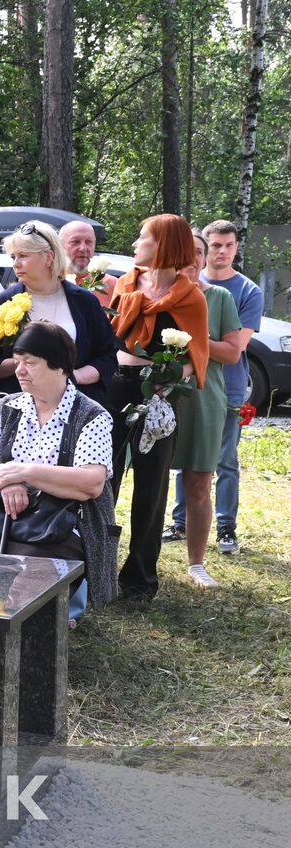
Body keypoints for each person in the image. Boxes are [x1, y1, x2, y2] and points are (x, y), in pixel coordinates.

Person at [0, 322, 118, 610]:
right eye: (18, 362)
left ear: (59, 366)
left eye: (29, 363)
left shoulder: (91, 415)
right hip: (4, 512)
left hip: (63, 520)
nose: (19, 370)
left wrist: (25, 471)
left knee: (29, 578)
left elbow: (91, 482)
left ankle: (31, 642)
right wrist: (7, 482)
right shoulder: (8, 407)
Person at [109, 214, 209, 601]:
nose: (135, 244)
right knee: (104, 479)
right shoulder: (126, 283)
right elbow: (111, 340)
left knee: (151, 486)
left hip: (161, 397)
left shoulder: (192, 296)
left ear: (163, 244)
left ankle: (138, 581)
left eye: (143, 238)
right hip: (118, 389)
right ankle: (93, 570)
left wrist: (166, 375)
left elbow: (195, 356)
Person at [166, 219, 265, 556]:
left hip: (226, 387)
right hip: (181, 390)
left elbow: (236, 346)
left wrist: (190, 344)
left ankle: (225, 528)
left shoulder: (244, 292)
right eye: (216, 246)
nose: (222, 252)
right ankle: (179, 522)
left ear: (236, 248)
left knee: (220, 461)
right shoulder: (172, 287)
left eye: (229, 246)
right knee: (184, 458)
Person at [168, 232, 243, 588]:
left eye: (198, 252)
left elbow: (232, 352)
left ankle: (196, 563)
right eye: (186, 253)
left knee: (199, 482)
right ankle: (141, 557)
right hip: (161, 399)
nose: (192, 260)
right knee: (147, 485)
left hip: (204, 399)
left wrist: (195, 343)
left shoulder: (220, 297)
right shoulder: (158, 296)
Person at [0, 221, 118, 409]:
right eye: (13, 256)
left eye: (23, 255)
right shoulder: (4, 301)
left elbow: (108, 356)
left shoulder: (84, 302)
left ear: (48, 257)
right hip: (18, 411)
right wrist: (20, 364)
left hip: (76, 410)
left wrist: (77, 376)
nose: (16, 263)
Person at [58, 220, 116, 307]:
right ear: (60, 246)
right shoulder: (47, 283)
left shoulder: (111, 285)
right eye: (75, 242)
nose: (83, 248)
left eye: (89, 242)